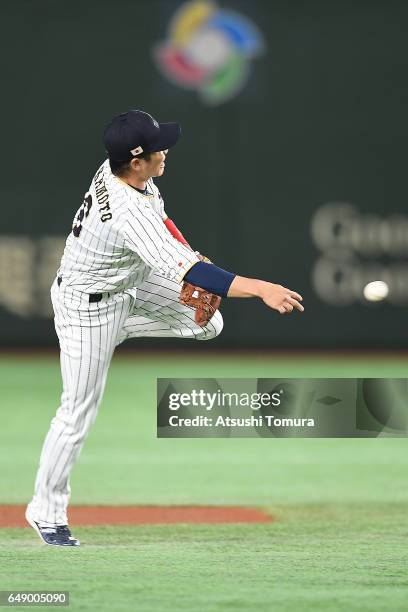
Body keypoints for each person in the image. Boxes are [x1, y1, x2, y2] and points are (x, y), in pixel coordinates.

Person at [26, 110, 304, 547]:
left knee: (207, 321)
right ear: (135, 160)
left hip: (128, 285)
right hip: (87, 307)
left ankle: (117, 332)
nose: (165, 150)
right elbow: (191, 270)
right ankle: (45, 511)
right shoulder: (125, 209)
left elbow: (163, 220)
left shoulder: (119, 170)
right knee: (76, 412)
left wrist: (190, 253)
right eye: (158, 147)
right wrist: (262, 288)